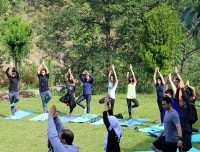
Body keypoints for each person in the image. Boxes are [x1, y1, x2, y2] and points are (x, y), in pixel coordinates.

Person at [177, 82, 192, 152]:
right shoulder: (179, 109)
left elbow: (186, 98)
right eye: (179, 101)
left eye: (181, 101)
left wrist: (182, 88)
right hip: (179, 132)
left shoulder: (187, 109)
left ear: (185, 102)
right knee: (180, 147)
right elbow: (176, 97)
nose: (179, 102)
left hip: (186, 131)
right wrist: (178, 89)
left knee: (188, 145)